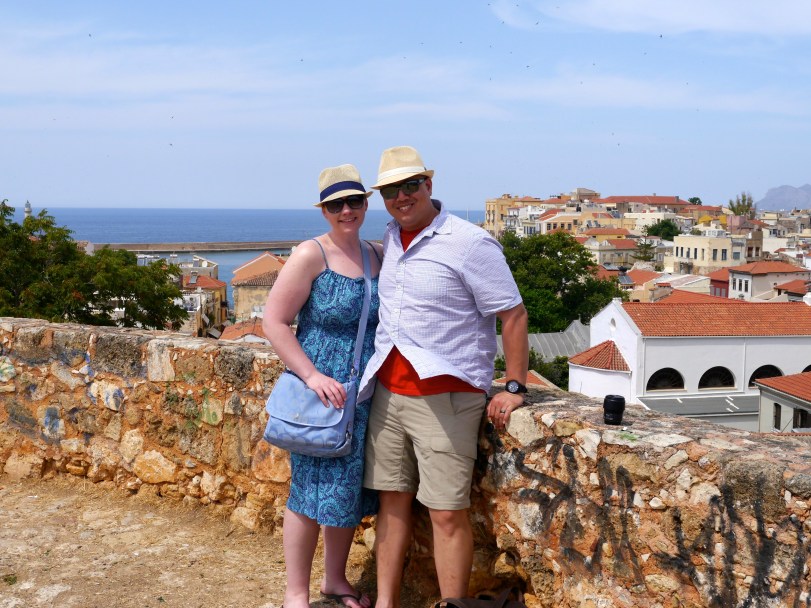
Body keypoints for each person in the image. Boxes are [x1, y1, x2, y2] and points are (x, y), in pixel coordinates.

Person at [357, 146, 529, 606]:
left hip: (447, 398)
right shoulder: (392, 238)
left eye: (410, 185)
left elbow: (512, 313)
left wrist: (513, 386)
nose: (401, 196)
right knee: (390, 507)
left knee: (446, 513)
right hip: (388, 393)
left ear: (429, 185)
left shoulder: (469, 242)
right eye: (391, 190)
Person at [262, 164, 382, 608]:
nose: (347, 210)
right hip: (322, 392)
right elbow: (273, 322)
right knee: (307, 491)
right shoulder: (311, 254)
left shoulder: (376, 254)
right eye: (337, 204)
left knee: (346, 491)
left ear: (366, 204)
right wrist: (312, 376)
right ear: (325, 210)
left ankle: (334, 580)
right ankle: (296, 592)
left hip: (363, 393)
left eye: (355, 201)